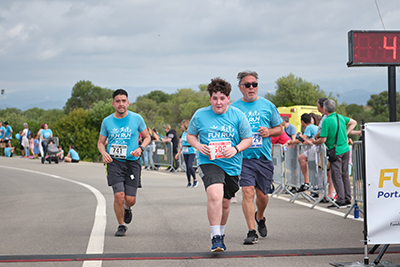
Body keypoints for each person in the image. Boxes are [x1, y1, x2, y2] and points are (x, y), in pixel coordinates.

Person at [187, 77, 252, 252]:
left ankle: (221, 233)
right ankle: (215, 237)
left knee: (225, 202)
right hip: (209, 161)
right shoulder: (200, 115)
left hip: (232, 164)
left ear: (228, 99)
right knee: (215, 194)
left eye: (222, 98)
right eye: (215, 98)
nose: (218, 102)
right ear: (210, 99)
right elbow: (190, 135)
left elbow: (248, 139)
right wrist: (199, 146)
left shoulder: (238, 115)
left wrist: (236, 149)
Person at [231, 70, 283, 245]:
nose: (251, 87)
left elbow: (279, 128)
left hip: (263, 156)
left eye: (254, 84)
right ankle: (251, 231)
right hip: (243, 157)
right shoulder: (234, 108)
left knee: (262, 196)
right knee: (247, 192)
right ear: (240, 88)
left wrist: (269, 131)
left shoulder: (268, 105)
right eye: (247, 85)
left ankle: (260, 216)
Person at [97, 89, 151, 237]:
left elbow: (147, 137)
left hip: (132, 162)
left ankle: (128, 207)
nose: (121, 104)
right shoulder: (107, 121)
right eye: (118, 101)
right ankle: (121, 225)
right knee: (118, 196)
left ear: (127, 102)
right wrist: (104, 153)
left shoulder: (137, 118)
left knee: (130, 199)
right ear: (113, 104)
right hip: (114, 162)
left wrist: (141, 148)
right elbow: (101, 143)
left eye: (123, 101)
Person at [313, 99, 357, 208]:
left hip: (335, 151)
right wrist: (346, 133)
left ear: (324, 109)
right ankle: (347, 198)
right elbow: (353, 122)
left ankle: (341, 199)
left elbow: (323, 139)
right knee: (345, 174)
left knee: (336, 175)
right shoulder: (340, 117)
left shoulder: (327, 121)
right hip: (345, 149)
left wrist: (314, 141)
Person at [175, 119, 198, 188]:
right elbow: (182, 143)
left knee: (189, 166)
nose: (181, 126)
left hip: (191, 150)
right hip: (185, 150)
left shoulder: (190, 132)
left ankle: (195, 179)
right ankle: (189, 182)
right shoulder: (183, 133)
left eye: (182, 125)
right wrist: (178, 152)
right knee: (187, 168)